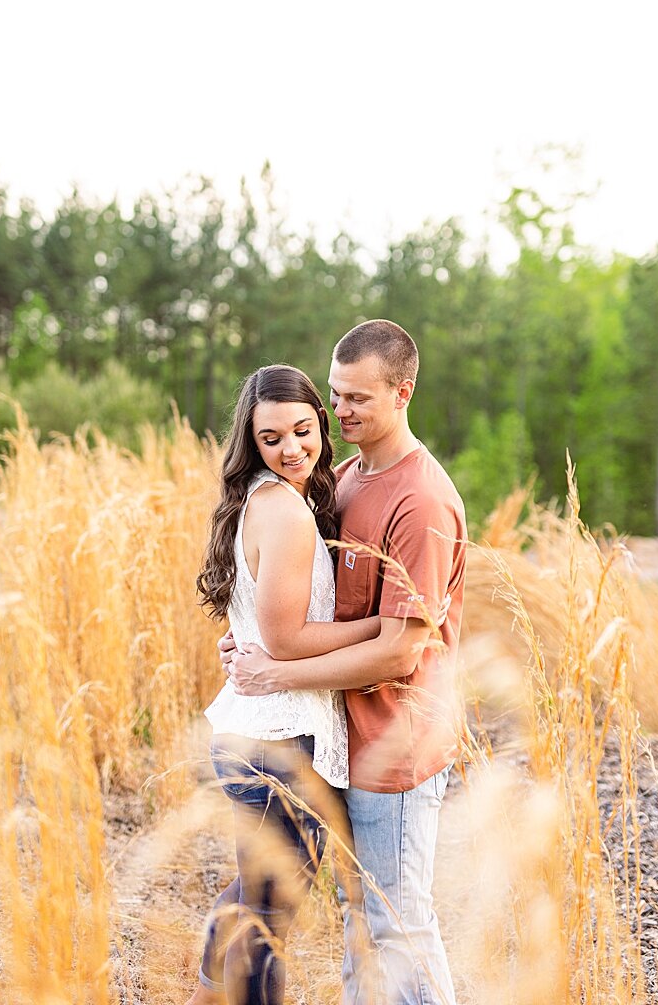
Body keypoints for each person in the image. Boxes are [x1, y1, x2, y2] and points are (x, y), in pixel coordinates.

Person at [223, 319, 466, 1005]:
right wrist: (254, 641)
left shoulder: (422, 501)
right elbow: (308, 604)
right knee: (363, 924)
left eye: (359, 398)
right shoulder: (348, 476)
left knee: (398, 924)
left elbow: (401, 646)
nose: (343, 412)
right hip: (342, 741)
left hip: (397, 743)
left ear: (403, 393)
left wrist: (279, 672)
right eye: (337, 396)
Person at [188, 364, 387, 1005]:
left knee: (257, 895)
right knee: (269, 923)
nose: (291, 449)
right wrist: (383, 626)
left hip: (257, 729)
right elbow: (286, 640)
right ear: (252, 441)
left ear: (320, 428)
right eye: (271, 438)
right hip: (277, 740)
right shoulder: (284, 512)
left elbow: (261, 625)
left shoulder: (271, 498)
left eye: (302, 431)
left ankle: (201, 997)